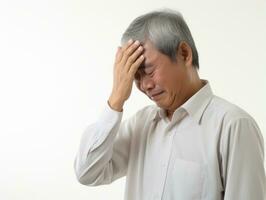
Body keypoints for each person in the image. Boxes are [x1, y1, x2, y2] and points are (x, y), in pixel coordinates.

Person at [74, 9, 266, 200]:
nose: (144, 86)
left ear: (184, 54)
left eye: (149, 71)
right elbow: (87, 172)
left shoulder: (233, 126)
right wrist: (116, 98)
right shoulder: (141, 124)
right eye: (135, 76)